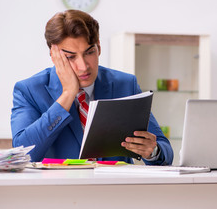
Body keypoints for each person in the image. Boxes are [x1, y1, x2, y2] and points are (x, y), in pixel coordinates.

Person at [11, 10, 173, 165]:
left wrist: (152, 151)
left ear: (99, 47)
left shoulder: (124, 84)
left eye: (89, 52)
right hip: (59, 190)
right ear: (54, 56)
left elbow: (165, 151)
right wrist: (67, 95)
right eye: (70, 57)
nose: (83, 66)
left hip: (115, 189)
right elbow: (24, 154)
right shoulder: (29, 90)